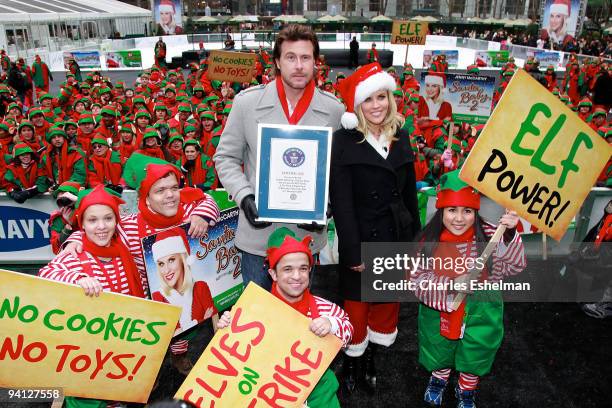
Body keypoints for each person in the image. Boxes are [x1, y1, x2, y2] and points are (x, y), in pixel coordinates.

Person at [213, 24, 344, 290]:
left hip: (305, 237)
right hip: (258, 237)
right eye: (291, 57)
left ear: (316, 63)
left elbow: (339, 170)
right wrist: (245, 197)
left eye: (306, 58)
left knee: (301, 321)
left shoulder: (333, 110)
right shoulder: (246, 103)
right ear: (277, 62)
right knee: (260, 316)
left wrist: (327, 204)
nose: (299, 65)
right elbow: (225, 158)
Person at [332, 62, 421, 393]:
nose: (377, 106)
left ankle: (370, 357)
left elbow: (410, 194)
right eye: (368, 100)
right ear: (357, 105)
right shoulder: (344, 140)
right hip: (361, 238)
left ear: (390, 98)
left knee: (384, 305)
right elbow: (341, 202)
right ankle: (353, 358)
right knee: (356, 306)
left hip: (395, 237)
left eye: (382, 97)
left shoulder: (402, 135)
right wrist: (353, 249)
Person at [410, 170, 526, 408]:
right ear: (441, 210)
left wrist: (511, 233)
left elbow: (515, 267)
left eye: (467, 211)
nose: (459, 218)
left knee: (476, 351)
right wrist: (452, 284)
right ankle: (439, 379)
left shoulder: (493, 234)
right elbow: (416, 281)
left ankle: (466, 388)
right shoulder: (427, 242)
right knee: (439, 349)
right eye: (452, 210)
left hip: (482, 310)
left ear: (476, 211)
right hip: (440, 308)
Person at [217, 227, 353, 407]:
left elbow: (349, 332)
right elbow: (234, 354)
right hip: (268, 391)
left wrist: (332, 324)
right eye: (288, 269)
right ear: (273, 273)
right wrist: (227, 327)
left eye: (303, 268)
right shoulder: (254, 309)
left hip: (318, 393)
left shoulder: (323, 308)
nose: (297, 276)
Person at [39, 185, 146, 408]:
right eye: (92, 220)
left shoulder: (126, 247)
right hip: (86, 355)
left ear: (116, 221)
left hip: (125, 348)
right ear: (82, 224)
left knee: (124, 394)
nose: (101, 227)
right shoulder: (74, 254)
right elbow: (45, 275)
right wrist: (77, 279)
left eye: (108, 219)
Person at [151, 227, 217, 334]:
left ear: (183, 260)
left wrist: (181, 329)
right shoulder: (157, 297)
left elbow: (213, 319)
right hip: (178, 350)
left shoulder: (200, 287)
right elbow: (168, 334)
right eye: (161, 264)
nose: (166, 270)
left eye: (171, 260)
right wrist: (199, 320)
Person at [417, 71, 453, 147]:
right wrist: (440, 122)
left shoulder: (447, 106)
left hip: (439, 140)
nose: (429, 89)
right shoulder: (421, 100)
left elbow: (449, 127)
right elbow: (418, 123)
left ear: (440, 88)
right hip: (421, 139)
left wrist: (427, 120)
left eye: (434, 86)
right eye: (427, 85)